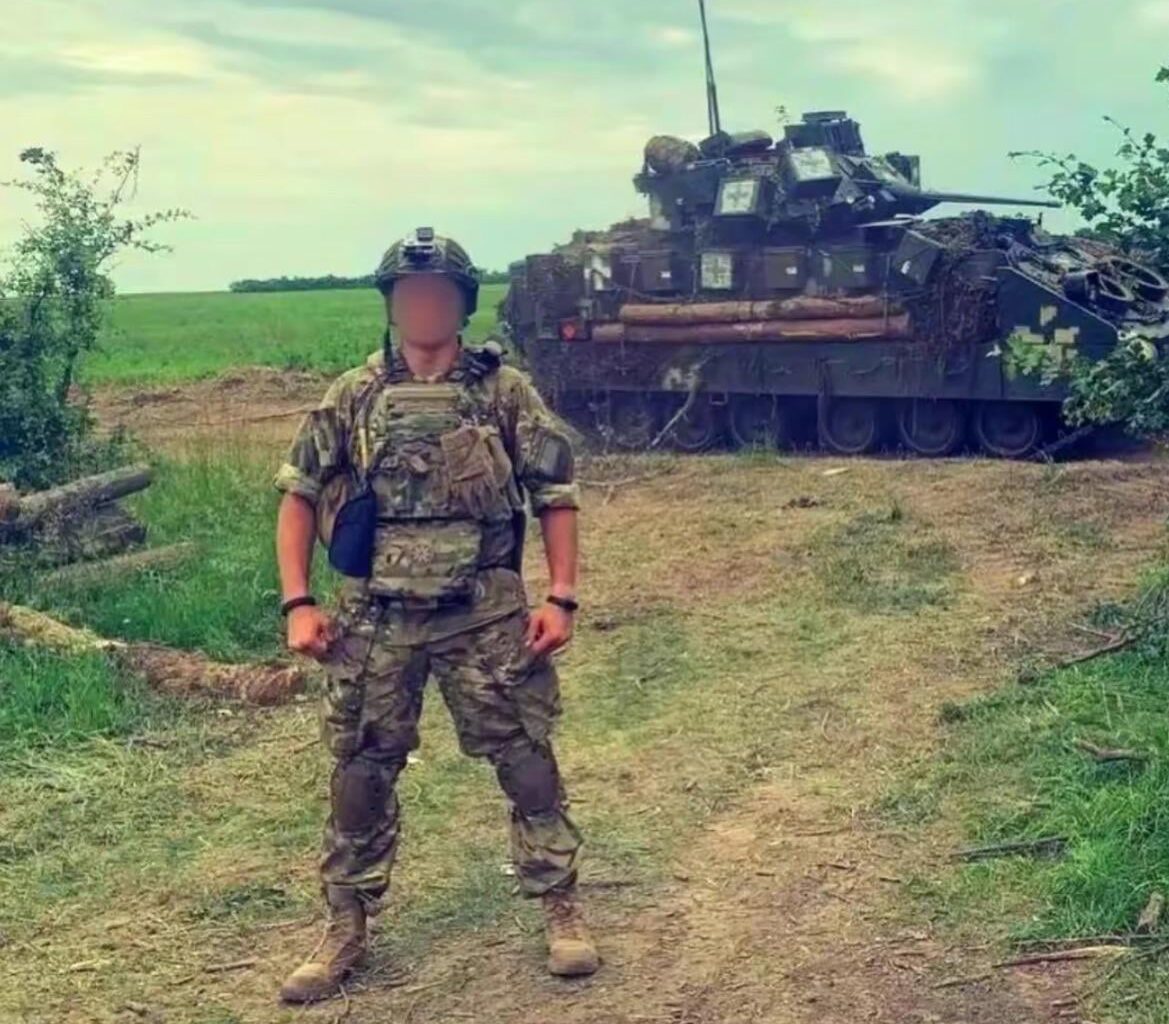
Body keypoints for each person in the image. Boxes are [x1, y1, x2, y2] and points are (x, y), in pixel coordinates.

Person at [272, 228, 597, 1004]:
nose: (425, 307)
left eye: (440, 295)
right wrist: (299, 601)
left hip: (482, 611)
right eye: (411, 295)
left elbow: (555, 494)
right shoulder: (352, 395)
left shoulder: (503, 392)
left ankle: (560, 907)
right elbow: (298, 495)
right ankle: (344, 925)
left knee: (525, 761)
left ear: (460, 304)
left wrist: (560, 595)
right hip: (375, 618)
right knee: (359, 775)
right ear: (392, 305)